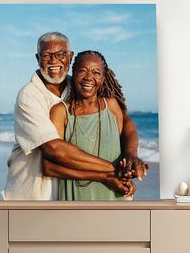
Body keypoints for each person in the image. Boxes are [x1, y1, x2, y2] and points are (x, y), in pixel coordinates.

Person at [2, 32, 146, 200]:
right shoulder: (28, 96)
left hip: (67, 190)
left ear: (70, 57)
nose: (54, 61)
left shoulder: (78, 84)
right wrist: (116, 170)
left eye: (61, 54)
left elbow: (125, 122)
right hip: (32, 191)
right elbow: (54, 149)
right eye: (46, 55)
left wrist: (131, 155)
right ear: (37, 58)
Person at [43, 50, 148, 200]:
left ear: (103, 78)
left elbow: (128, 127)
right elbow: (49, 167)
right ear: (73, 73)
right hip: (77, 204)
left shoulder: (111, 105)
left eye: (96, 72)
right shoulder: (61, 112)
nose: (89, 78)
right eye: (82, 71)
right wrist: (105, 177)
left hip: (115, 200)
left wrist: (131, 156)